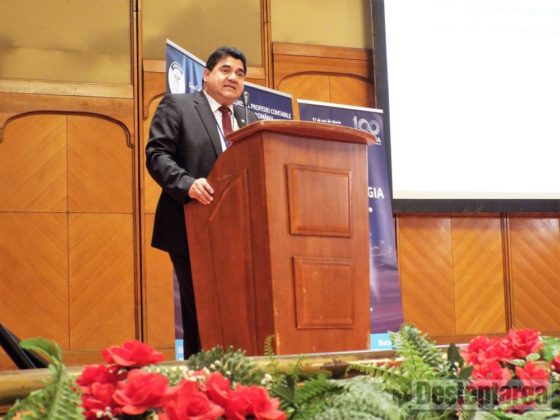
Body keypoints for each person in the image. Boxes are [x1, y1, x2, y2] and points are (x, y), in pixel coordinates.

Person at [145, 46, 258, 358]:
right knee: (202, 309)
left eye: (240, 74)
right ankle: (200, 377)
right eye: (225, 70)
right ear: (206, 74)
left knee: (239, 309)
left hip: (240, 234)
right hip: (192, 225)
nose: (233, 78)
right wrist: (188, 184)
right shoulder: (179, 106)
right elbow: (157, 155)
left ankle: (238, 375)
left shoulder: (250, 120)